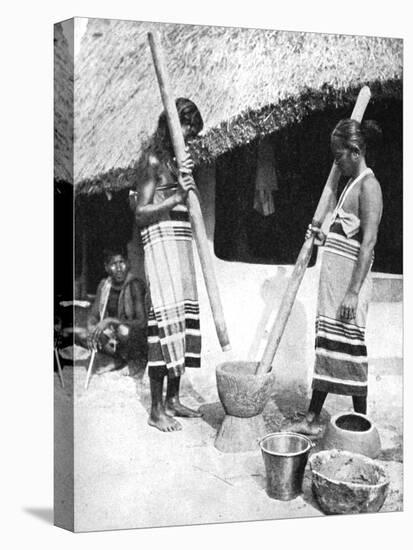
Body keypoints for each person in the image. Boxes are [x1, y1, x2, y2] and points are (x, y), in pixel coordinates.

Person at [289, 118, 383, 436]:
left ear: (354, 151)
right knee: (329, 349)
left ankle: (361, 424)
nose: (336, 162)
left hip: (349, 287)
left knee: (351, 348)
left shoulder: (369, 186)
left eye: (338, 156)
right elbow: (345, 233)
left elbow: (368, 244)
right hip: (335, 285)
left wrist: (353, 292)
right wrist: (320, 236)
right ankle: (313, 418)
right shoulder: (348, 186)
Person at [132, 97, 204, 432]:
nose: (189, 140)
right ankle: (156, 410)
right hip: (161, 248)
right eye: (188, 132)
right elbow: (140, 212)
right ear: (175, 126)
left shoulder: (177, 162)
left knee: (183, 319)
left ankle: (174, 399)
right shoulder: (152, 160)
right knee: (163, 324)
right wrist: (176, 198)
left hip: (180, 245)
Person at [87, 249, 147, 376]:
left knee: (123, 330)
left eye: (122, 262)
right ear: (107, 267)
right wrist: (91, 327)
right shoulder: (104, 285)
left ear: (128, 264)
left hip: (134, 336)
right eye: (114, 264)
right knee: (79, 333)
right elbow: (93, 315)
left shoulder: (134, 285)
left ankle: (131, 361)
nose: (119, 268)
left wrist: (111, 321)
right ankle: (118, 359)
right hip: (114, 337)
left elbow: (142, 322)